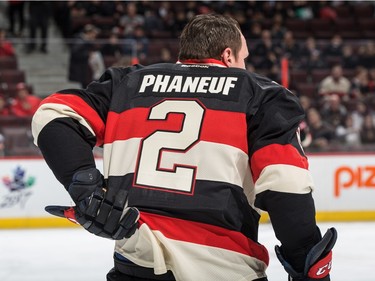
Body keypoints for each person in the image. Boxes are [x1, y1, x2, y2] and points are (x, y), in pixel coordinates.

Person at [31, 14, 336, 281]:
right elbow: (286, 185)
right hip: (224, 266)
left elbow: (53, 115)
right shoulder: (262, 96)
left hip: (136, 263)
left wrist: (86, 188)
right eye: (243, 58)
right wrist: (306, 263)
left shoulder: (127, 84)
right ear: (228, 56)